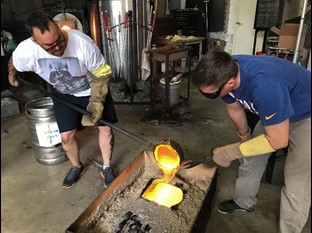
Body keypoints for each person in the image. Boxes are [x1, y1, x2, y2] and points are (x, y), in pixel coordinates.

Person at [190, 51, 311, 233]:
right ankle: (244, 202)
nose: (208, 97)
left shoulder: (265, 86)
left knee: (296, 180)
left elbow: (278, 140)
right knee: (251, 159)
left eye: (211, 95)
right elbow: (235, 109)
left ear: (230, 83)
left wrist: (232, 151)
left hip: (306, 115)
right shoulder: (226, 69)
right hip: (276, 111)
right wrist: (244, 139)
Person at [8, 11, 118, 189]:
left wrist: (97, 102)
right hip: (63, 94)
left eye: (59, 40)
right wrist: (11, 77)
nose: (58, 48)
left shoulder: (83, 44)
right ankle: (77, 167)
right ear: (35, 41)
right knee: (66, 136)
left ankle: (106, 167)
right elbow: (14, 60)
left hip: (93, 91)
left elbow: (102, 74)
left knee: (105, 130)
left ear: (58, 27)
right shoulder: (26, 50)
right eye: (49, 47)